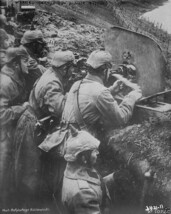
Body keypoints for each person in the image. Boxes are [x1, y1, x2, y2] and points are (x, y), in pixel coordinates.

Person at [14, 50, 76, 208]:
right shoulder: (52, 83)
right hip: (31, 126)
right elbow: (61, 110)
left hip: (33, 123)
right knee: (29, 174)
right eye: (71, 68)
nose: (73, 71)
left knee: (29, 171)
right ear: (64, 69)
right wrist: (71, 95)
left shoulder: (51, 73)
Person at [0, 47, 30, 208]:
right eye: (25, 60)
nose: (28, 64)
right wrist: (22, 108)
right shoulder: (5, 82)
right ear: (16, 64)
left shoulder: (16, 77)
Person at [62, 125, 113, 214]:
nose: (98, 153)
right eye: (94, 151)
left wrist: (113, 177)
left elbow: (94, 183)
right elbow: (90, 188)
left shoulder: (75, 168)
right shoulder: (84, 192)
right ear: (83, 158)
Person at [20, 30, 49, 96]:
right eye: (41, 45)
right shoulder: (26, 59)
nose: (43, 48)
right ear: (34, 45)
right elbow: (46, 74)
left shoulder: (23, 50)